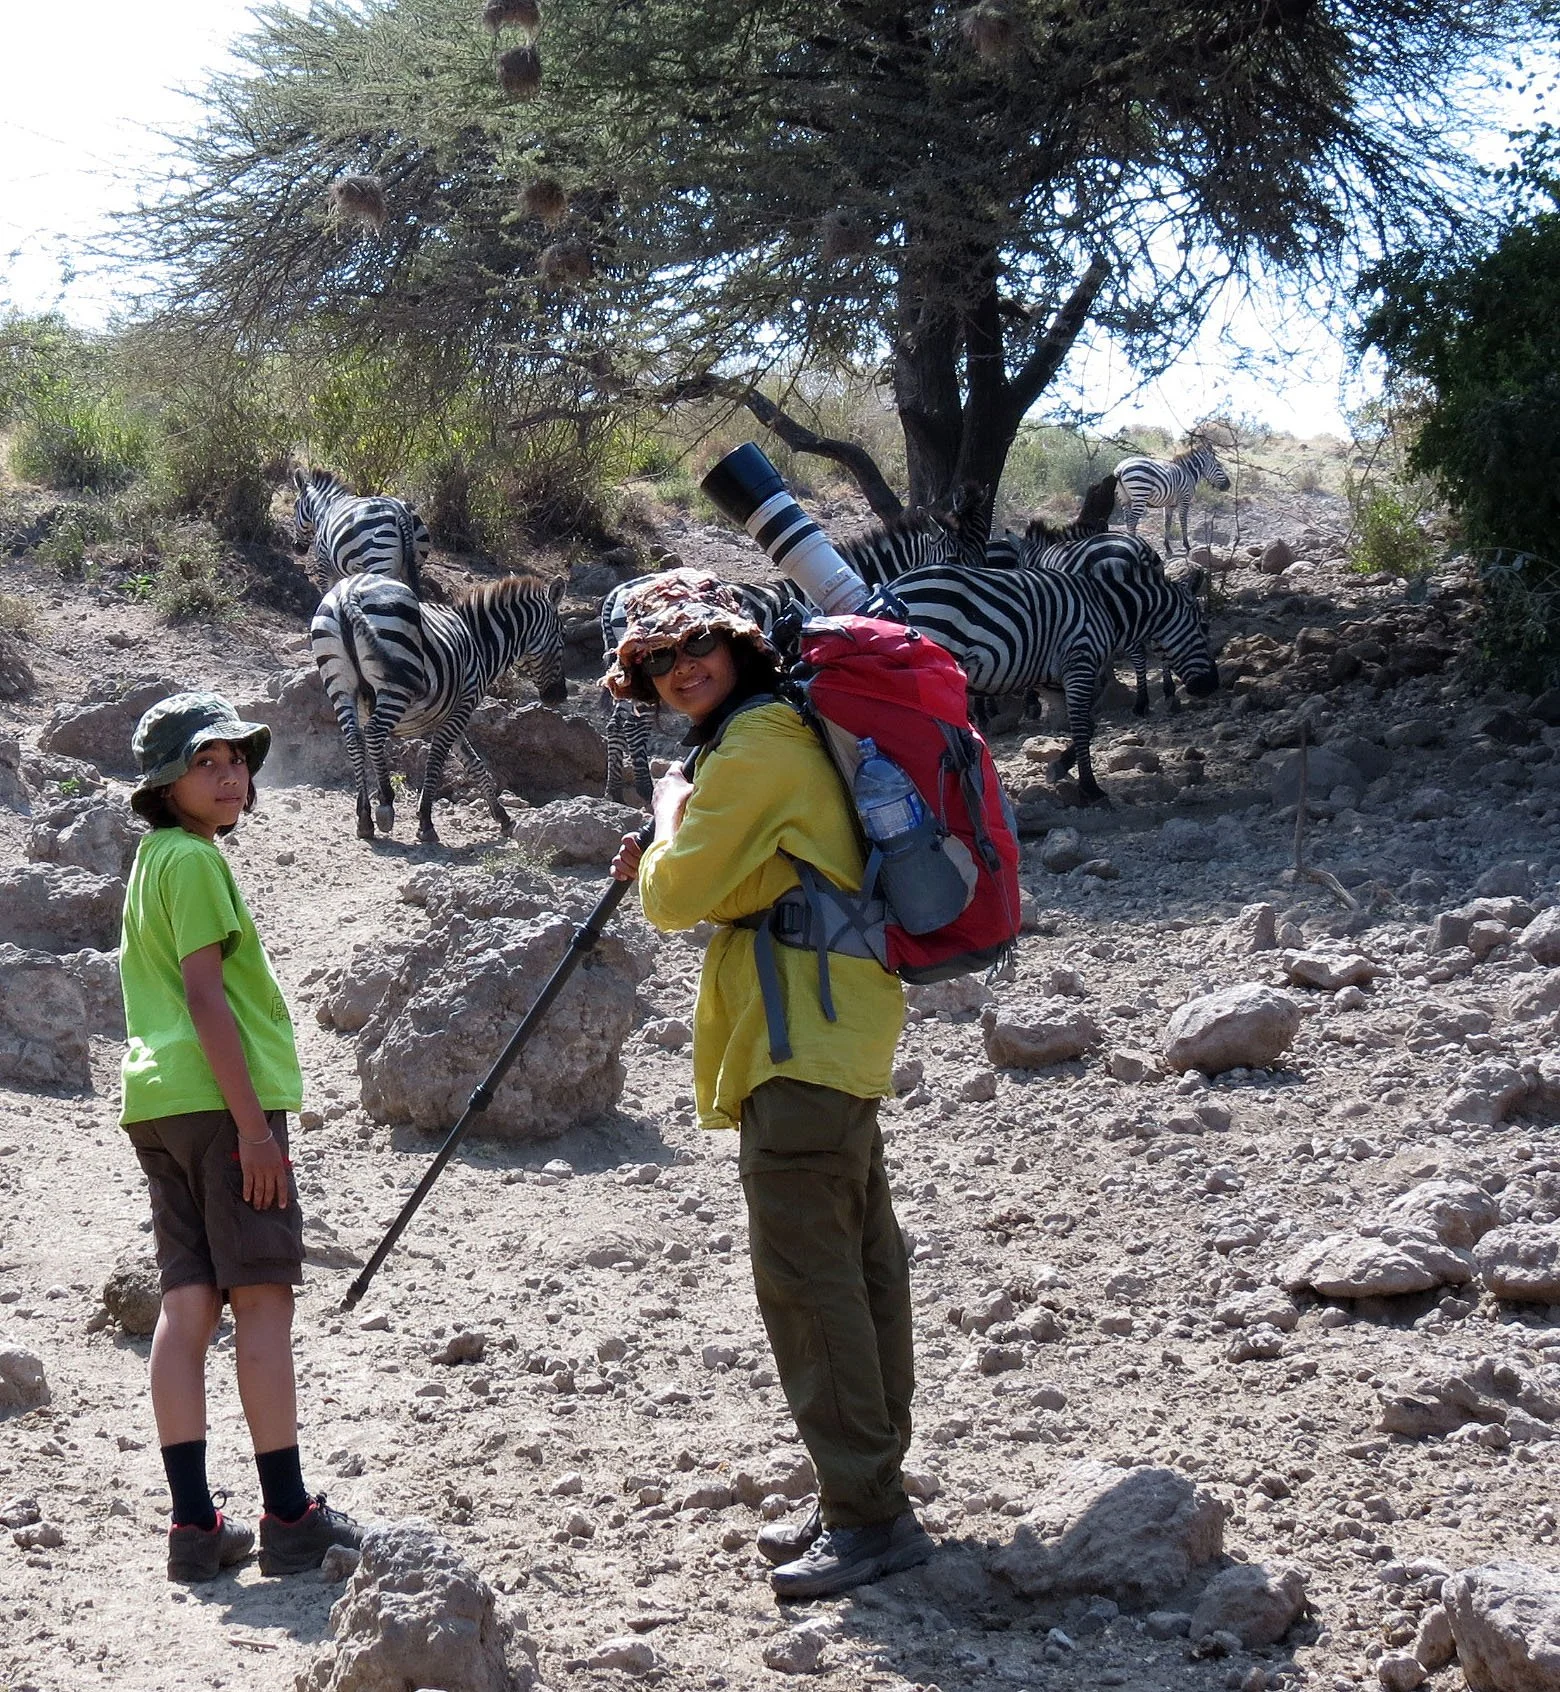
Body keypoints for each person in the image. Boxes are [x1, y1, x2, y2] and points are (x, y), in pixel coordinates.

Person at [606, 571, 931, 1602]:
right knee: (860, 1260)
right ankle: (862, 1489)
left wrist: (666, 819)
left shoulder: (752, 751)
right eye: (656, 660)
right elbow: (760, 879)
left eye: (694, 645)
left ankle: (870, 1517)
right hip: (832, 1033)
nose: (677, 669)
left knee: (808, 1279)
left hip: (803, 1045)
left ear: (740, 644)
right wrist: (682, 834)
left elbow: (676, 896)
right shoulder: (783, 736)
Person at [119, 692, 361, 1583]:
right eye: (205, 765)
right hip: (222, 1106)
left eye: (237, 761)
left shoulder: (152, 861)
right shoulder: (193, 864)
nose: (230, 778)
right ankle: (290, 1515)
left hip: (158, 1102)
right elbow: (206, 998)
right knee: (261, 1302)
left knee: (187, 1310)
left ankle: (193, 1528)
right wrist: (257, 1133)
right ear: (166, 785)